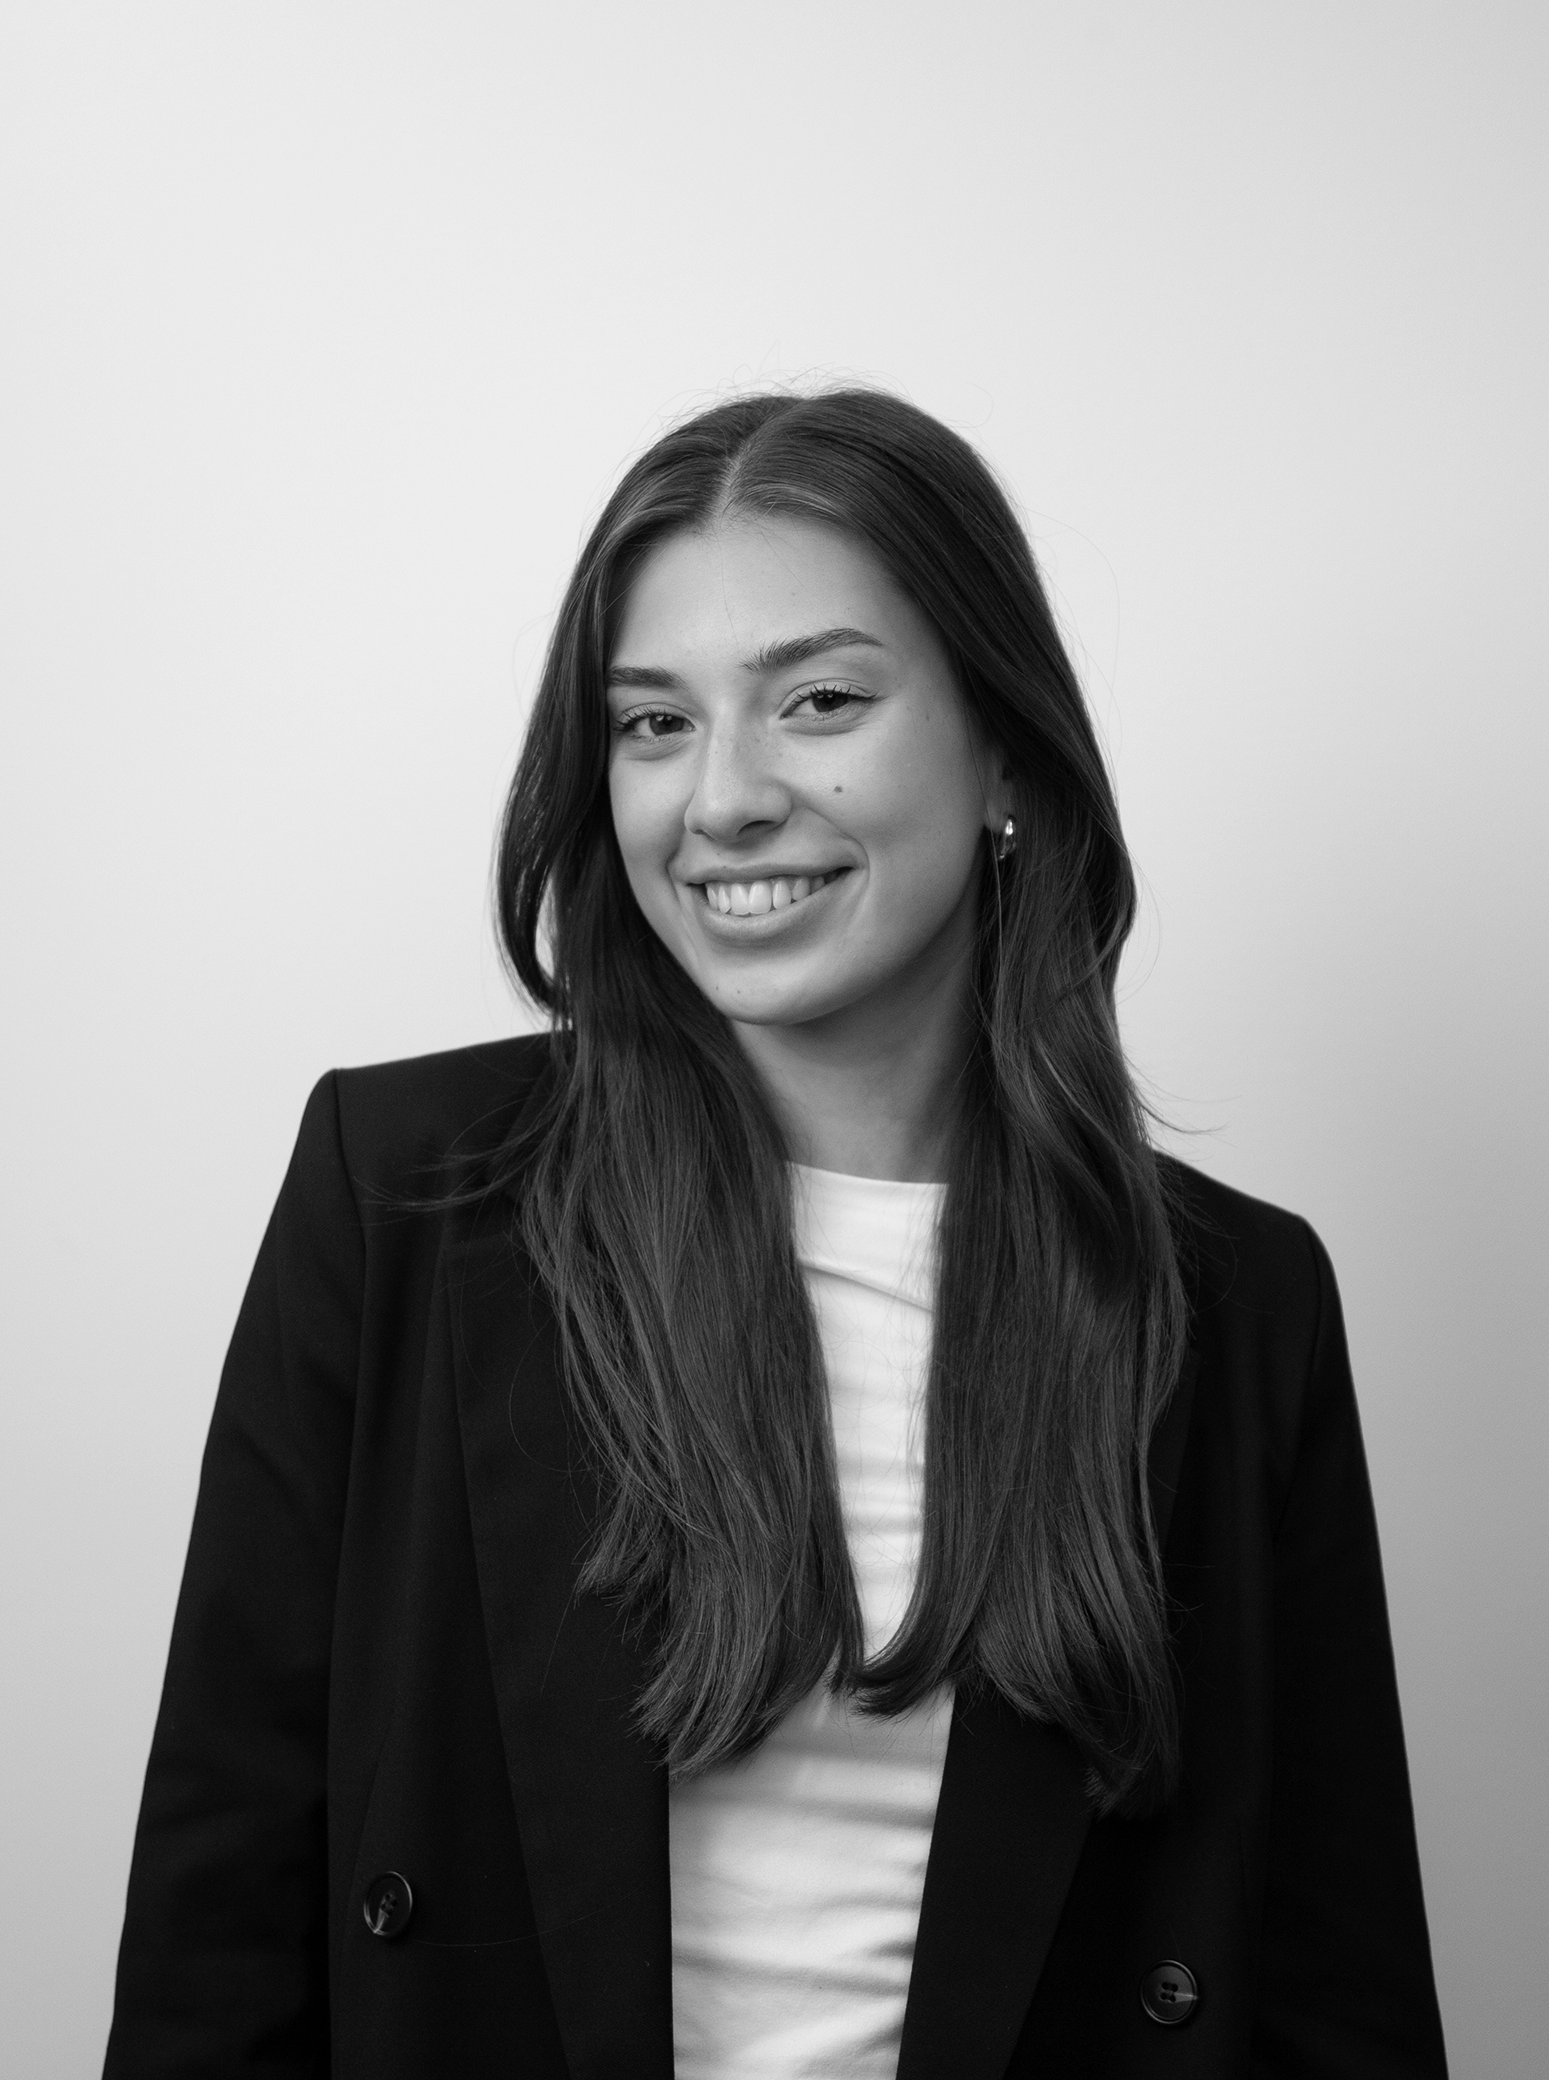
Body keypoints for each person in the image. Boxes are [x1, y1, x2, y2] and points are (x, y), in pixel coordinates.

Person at [104, 389, 1448, 2078]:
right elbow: (215, 1933)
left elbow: (1339, 1991)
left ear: (1007, 755)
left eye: (818, 701)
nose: (722, 800)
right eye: (653, 724)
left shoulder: (1230, 1304)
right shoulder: (402, 1193)